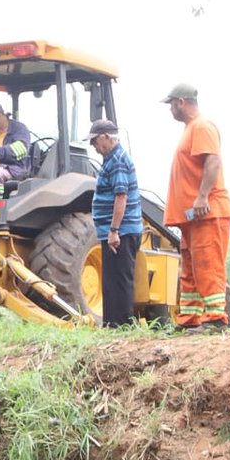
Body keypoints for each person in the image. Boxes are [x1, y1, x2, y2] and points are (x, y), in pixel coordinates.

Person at [161, 83, 230, 332]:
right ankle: (189, 319)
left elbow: (213, 161)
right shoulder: (191, 129)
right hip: (192, 218)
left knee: (208, 265)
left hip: (208, 213)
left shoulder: (202, 126)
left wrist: (202, 197)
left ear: (181, 102)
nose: (170, 109)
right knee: (191, 270)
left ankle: (215, 319)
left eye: (171, 104)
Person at [87, 119, 142, 327]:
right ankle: (111, 324)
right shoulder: (110, 160)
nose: (93, 146)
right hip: (115, 231)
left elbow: (121, 196)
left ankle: (123, 324)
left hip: (122, 232)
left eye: (95, 141)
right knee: (110, 281)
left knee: (119, 280)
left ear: (106, 137)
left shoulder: (117, 160)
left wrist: (114, 230)